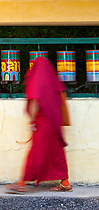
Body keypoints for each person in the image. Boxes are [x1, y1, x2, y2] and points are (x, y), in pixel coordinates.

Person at [6, 57, 72, 193]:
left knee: (35, 152)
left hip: (43, 121)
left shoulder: (38, 79)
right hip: (55, 120)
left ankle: (21, 183)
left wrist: (32, 121)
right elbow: (62, 97)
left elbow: (35, 100)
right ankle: (65, 183)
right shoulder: (53, 79)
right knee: (57, 151)